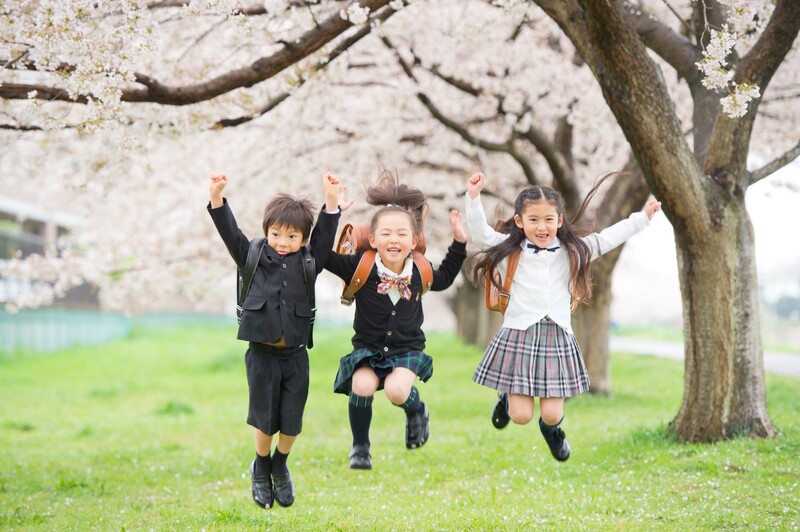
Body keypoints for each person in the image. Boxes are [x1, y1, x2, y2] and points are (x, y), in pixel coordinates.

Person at [465, 171, 661, 461]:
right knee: (520, 416)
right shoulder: (510, 252)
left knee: (553, 413)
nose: (541, 227)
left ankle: (552, 430)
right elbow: (481, 234)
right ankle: (506, 398)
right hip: (520, 334)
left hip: (556, 336)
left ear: (559, 220)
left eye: (548, 220)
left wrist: (641, 218)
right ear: (519, 222)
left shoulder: (573, 251)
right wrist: (473, 197)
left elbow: (607, 238)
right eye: (533, 220)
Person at [208, 173, 341, 509]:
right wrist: (217, 198)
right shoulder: (251, 254)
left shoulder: (311, 260)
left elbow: (325, 237)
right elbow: (229, 232)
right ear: (267, 232)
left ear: (303, 238)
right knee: (265, 417)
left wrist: (331, 200)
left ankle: (280, 464)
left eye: (292, 236)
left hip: (296, 355)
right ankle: (261, 464)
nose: (282, 241)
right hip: (261, 354)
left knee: (292, 419)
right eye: (276, 234)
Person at [324, 174, 468, 469]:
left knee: (396, 391)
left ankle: (417, 410)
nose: (394, 240)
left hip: (406, 349)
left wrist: (459, 242)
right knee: (361, 385)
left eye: (402, 234)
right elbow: (322, 254)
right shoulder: (359, 266)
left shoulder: (420, 271)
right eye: (386, 234)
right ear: (373, 239)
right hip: (368, 349)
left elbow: (445, 277)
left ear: (414, 241)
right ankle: (360, 447)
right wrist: (332, 210)